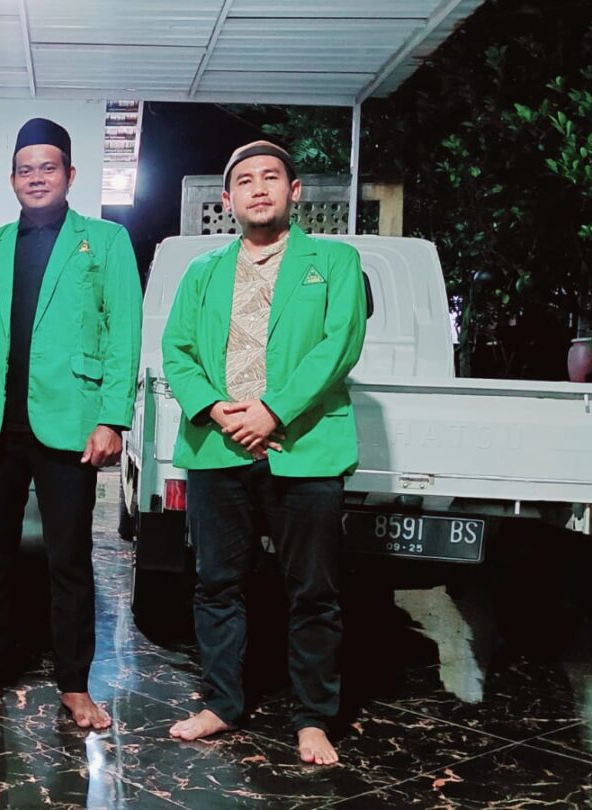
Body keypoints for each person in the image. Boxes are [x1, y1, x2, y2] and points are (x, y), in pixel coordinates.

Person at [0, 118, 142, 729]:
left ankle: (75, 684)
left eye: (48, 167)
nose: (37, 177)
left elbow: (122, 333)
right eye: (26, 169)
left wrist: (112, 418)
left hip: (69, 423)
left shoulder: (105, 241)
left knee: (69, 560)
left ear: (70, 175)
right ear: (12, 179)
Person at [161, 141, 367, 766]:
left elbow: (339, 344)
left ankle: (313, 719)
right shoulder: (203, 272)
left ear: (293, 191)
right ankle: (222, 703)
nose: (258, 188)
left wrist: (272, 410)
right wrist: (215, 409)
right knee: (216, 585)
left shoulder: (335, 262)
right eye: (245, 180)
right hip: (217, 447)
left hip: (304, 447)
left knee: (314, 592)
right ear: (228, 200)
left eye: (270, 177)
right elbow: (177, 350)